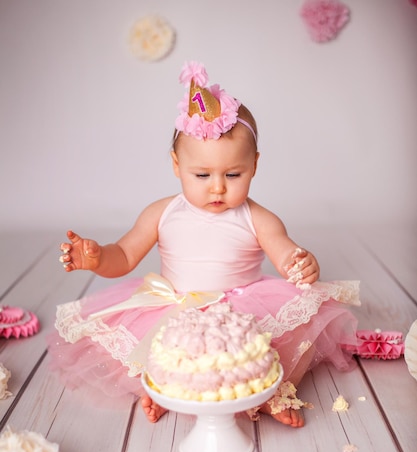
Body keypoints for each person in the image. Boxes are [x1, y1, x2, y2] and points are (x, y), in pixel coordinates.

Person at [51, 61, 359, 428]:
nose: (217, 187)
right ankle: (163, 388)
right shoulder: (161, 213)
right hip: (175, 304)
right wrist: (99, 257)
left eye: (233, 174)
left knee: (269, 347)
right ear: (176, 164)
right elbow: (125, 255)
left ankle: (266, 394)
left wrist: (300, 261)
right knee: (156, 349)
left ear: (254, 165)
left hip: (243, 308)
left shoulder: (258, 218)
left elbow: (283, 252)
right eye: (201, 175)